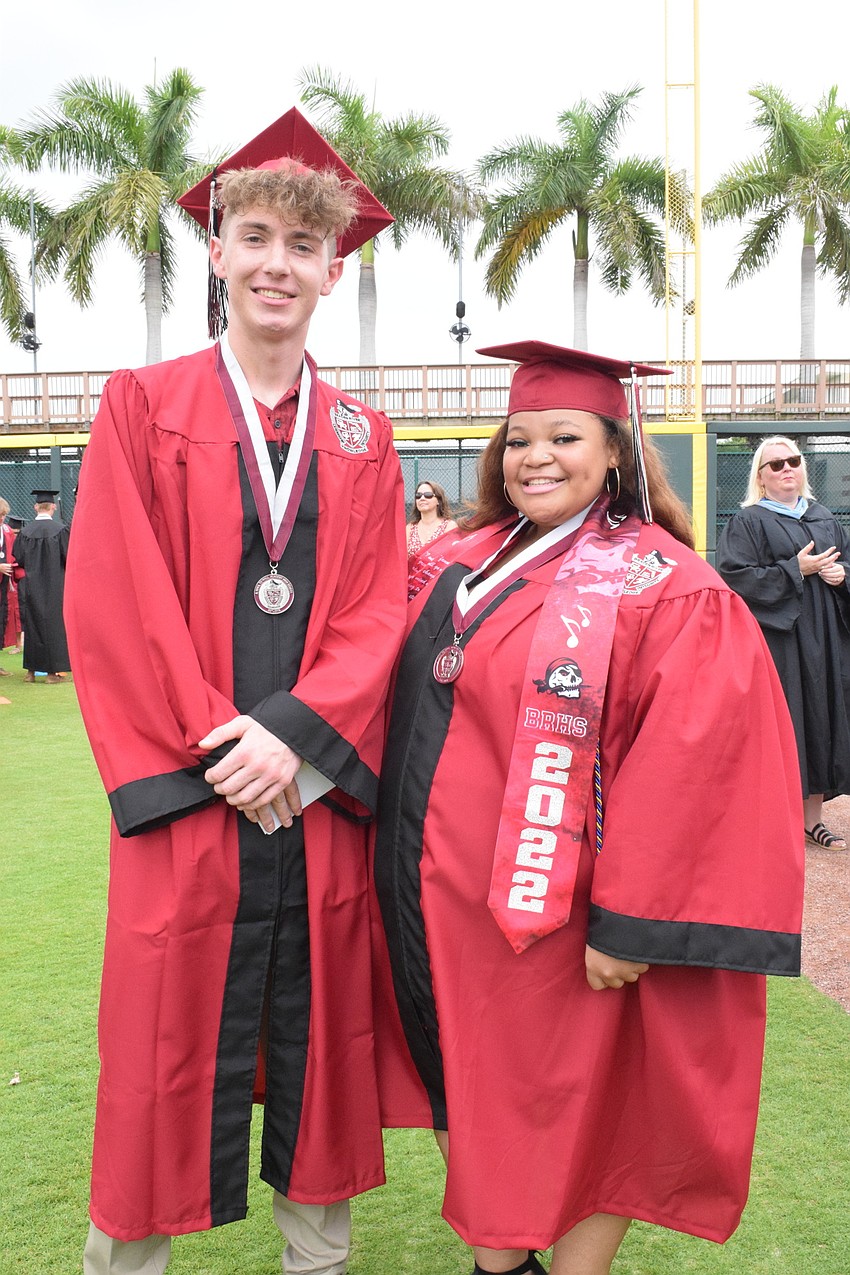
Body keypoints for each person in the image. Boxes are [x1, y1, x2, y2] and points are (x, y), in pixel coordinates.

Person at [372, 342, 805, 1275]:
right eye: (519, 438)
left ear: (614, 451)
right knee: (470, 1089)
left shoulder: (664, 583)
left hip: (565, 915)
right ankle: (505, 1261)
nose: (537, 456)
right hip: (440, 905)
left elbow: (697, 759)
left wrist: (632, 920)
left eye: (564, 435)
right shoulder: (457, 562)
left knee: (585, 1100)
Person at [64, 109, 407, 1275]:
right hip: (196, 796)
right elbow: (119, 602)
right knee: (161, 1046)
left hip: (309, 803)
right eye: (253, 236)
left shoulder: (364, 433)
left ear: (332, 268)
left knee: (320, 1047)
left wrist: (300, 748)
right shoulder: (141, 402)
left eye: (301, 247)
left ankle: (319, 1261)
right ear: (217, 251)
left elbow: (376, 612)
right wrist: (234, 749)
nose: (276, 262)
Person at [716, 435, 850, 850]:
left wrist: (842, 575)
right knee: (785, 720)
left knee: (821, 717)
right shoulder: (750, 521)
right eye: (775, 465)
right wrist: (796, 569)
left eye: (792, 461)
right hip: (782, 639)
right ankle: (777, 820)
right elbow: (735, 576)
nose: (786, 469)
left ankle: (814, 821)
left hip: (826, 637)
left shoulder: (824, 516)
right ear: (761, 476)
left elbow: (846, 560)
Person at [11, 489, 70, 683]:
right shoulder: (61, 530)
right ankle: (52, 673)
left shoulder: (25, 532)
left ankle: (31, 671)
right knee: (53, 625)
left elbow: (19, 558)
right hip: (55, 586)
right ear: (53, 507)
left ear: (35, 507)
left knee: (33, 624)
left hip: (32, 585)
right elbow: (67, 557)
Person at [0, 498, 24, 674]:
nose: (2, 518)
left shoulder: (7, 531)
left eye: (3, 515)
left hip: (3, 583)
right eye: (0, 515)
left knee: (1, 620)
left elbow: (13, 555)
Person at [406, 479, 458, 558]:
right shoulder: (409, 529)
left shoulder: (450, 527)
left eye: (428, 495)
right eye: (418, 496)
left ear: (438, 500)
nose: (422, 498)